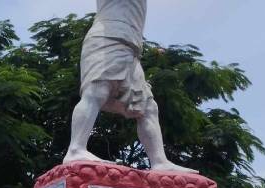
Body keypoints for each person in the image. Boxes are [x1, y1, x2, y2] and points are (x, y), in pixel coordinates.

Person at [63, 0, 194, 173]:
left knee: (148, 107)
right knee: (96, 92)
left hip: (130, 47)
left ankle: (159, 161)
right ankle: (75, 149)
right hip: (108, 38)